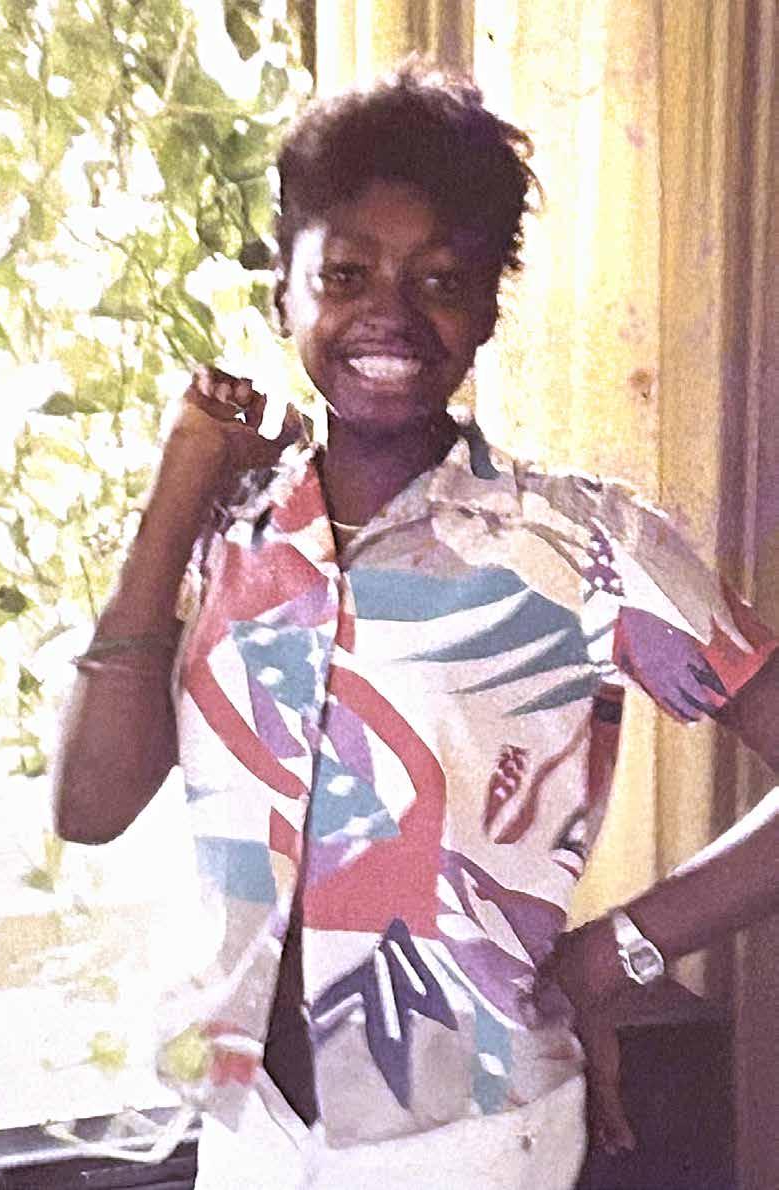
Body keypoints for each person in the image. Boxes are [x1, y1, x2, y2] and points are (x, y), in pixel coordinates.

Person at [54, 63, 778, 1190]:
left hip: (472, 1137)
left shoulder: (586, 546)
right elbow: (90, 807)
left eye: (439, 278)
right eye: (346, 273)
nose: (388, 311)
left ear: (486, 308)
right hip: (252, 1134)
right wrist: (178, 480)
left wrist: (612, 955)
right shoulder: (224, 534)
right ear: (285, 294)